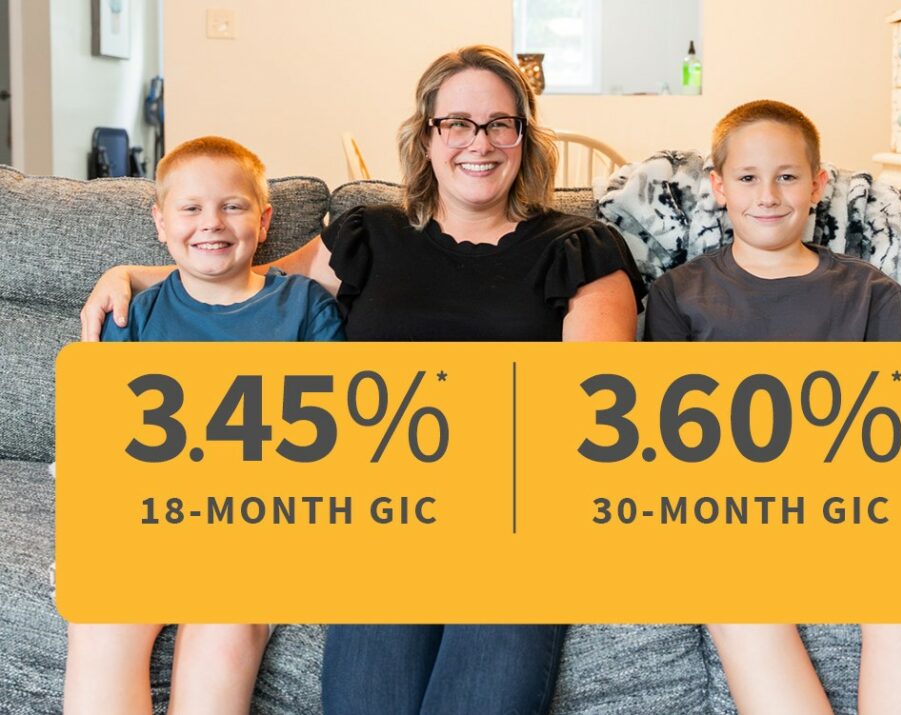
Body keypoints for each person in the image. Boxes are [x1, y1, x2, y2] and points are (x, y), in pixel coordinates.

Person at [79, 46, 645, 714]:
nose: (479, 141)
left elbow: (591, 418)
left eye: (500, 123)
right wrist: (128, 275)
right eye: (457, 122)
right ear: (426, 136)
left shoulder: (580, 248)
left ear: (524, 135)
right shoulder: (369, 234)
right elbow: (247, 282)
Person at [644, 100, 901, 714]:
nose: (768, 194)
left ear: (818, 185)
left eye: (787, 176)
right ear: (718, 188)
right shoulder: (679, 294)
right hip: (729, 509)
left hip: (848, 504)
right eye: (748, 177)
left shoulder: (870, 293)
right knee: (739, 600)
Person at [65, 136, 344, 715]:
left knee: (221, 637)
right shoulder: (134, 315)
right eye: (190, 209)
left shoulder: (305, 307)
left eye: (233, 206)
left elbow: (332, 439)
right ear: (161, 224)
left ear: (264, 221)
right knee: (100, 621)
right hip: (156, 517)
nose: (211, 223)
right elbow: (106, 442)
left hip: (257, 523)